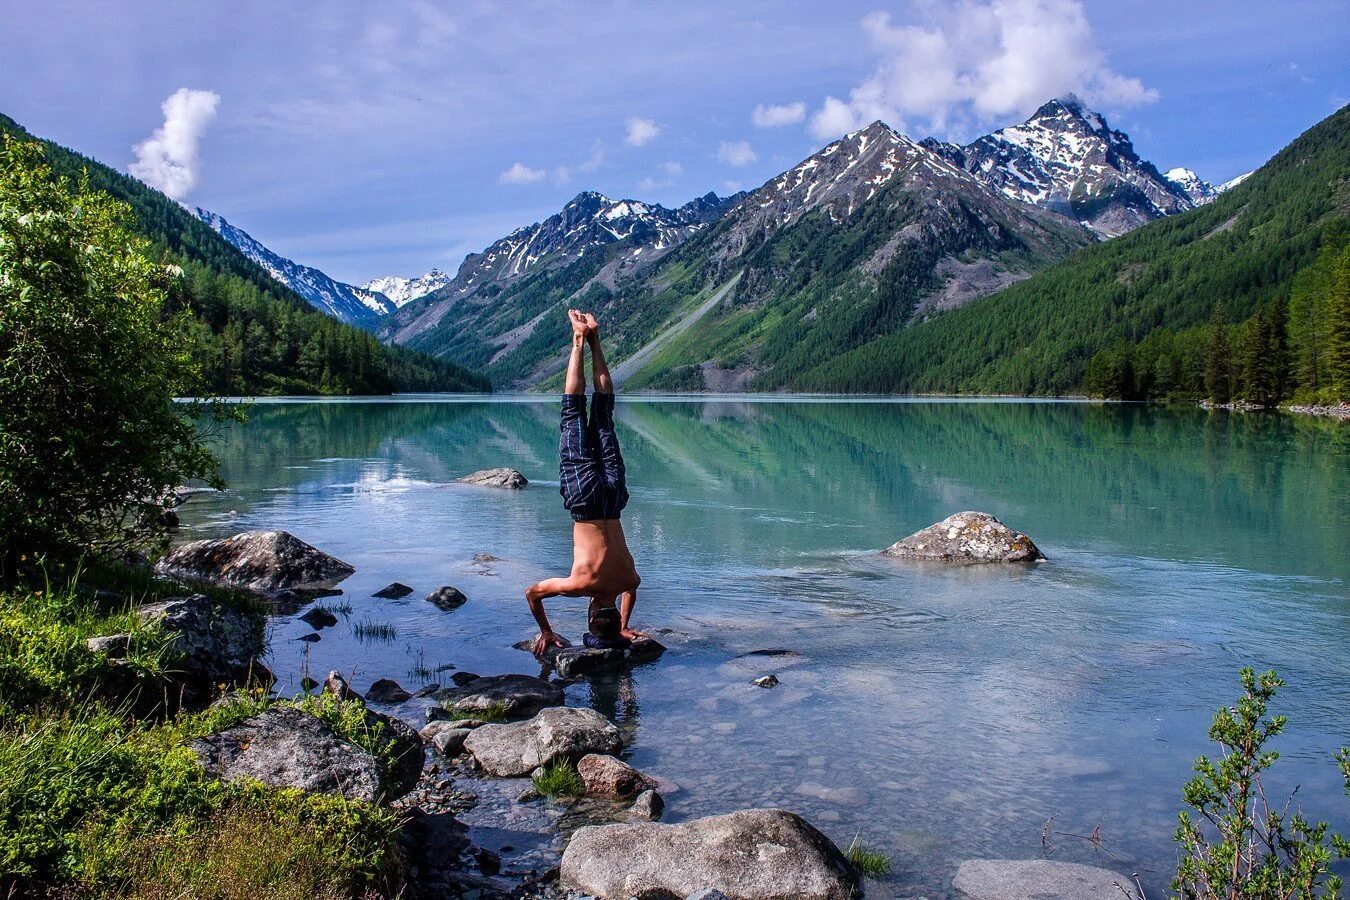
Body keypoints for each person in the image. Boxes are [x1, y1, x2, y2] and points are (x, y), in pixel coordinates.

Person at [525, 309, 644, 657]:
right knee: (573, 411)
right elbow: (532, 593)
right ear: (592, 613)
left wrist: (622, 626)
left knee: (604, 413)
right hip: (585, 501)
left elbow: (630, 593)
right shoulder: (579, 585)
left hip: (614, 500)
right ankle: (578, 339)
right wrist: (546, 630)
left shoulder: (629, 580)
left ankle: (594, 339)